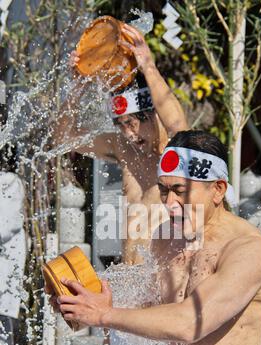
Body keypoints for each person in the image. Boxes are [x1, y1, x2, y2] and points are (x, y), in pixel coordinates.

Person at [15, 130, 261, 345]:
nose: (170, 203)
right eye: (164, 191)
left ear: (217, 189)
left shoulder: (249, 249)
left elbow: (190, 323)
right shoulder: (166, 237)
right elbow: (151, 309)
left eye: (180, 191)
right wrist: (86, 303)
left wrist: (106, 315)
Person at [54, 23, 188, 264]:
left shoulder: (178, 155)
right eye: (121, 125)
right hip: (131, 279)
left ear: (154, 114)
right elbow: (63, 139)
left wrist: (148, 66)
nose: (128, 133)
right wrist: (76, 89)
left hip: (166, 284)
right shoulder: (122, 148)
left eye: (133, 123)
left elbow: (177, 124)